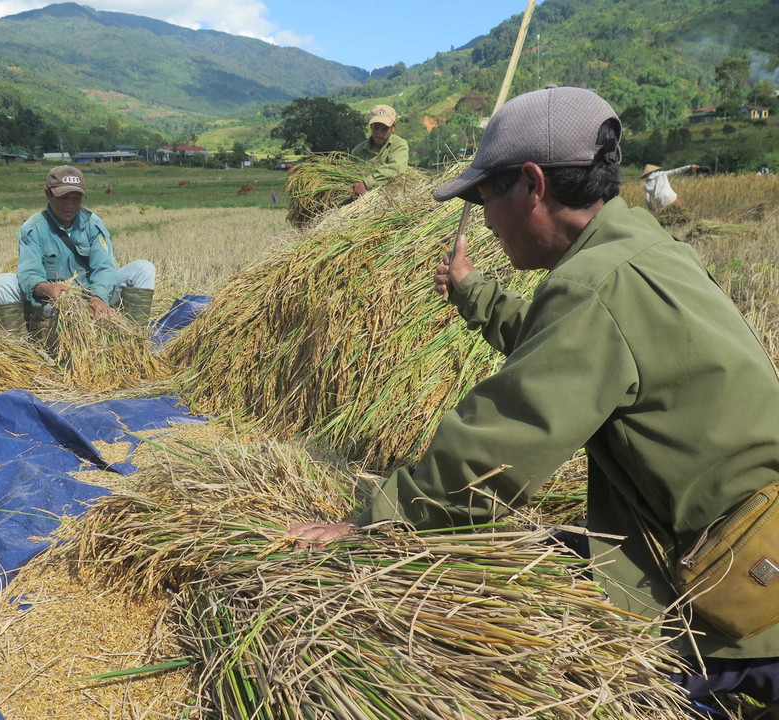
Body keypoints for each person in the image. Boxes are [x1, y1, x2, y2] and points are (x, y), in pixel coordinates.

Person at [290, 86, 779, 707]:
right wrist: (475, 295)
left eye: (486, 196)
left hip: (738, 615)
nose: (487, 219)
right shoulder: (643, 252)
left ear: (532, 184)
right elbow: (567, 349)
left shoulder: (596, 284)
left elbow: (501, 438)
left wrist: (374, 523)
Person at [0, 165, 156, 335]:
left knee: (143, 269)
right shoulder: (33, 228)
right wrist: (47, 289)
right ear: (48, 194)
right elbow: (28, 275)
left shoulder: (92, 223)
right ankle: (20, 349)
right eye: (64, 198)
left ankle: (134, 336)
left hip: (91, 298)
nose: (70, 205)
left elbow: (105, 267)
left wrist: (98, 297)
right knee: (2, 282)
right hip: (51, 304)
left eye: (76, 199)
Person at [349, 104, 410, 200]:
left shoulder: (399, 145)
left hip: (391, 199)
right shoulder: (358, 151)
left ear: (393, 127)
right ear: (371, 126)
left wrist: (366, 184)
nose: (379, 134)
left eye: (384, 129)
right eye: (376, 128)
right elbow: (349, 173)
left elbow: (395, 168)